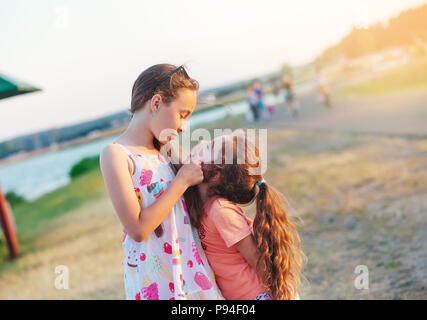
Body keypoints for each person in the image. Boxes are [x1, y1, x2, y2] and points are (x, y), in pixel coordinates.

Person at [100, 64, 223, 300]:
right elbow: (137, 228)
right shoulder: (116, 154)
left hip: (189, 271)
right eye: (182, 114)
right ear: (156, 103)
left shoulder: (164, 153)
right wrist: (181, 182)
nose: (183, 126)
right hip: (155, 281)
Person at [184, 132, 304, 300]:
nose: (202, 141)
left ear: (214, 175)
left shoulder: (220, 211)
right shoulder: (201, 205)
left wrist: (281, 296)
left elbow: (257, 259)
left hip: (257, 296)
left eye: (210, 146)